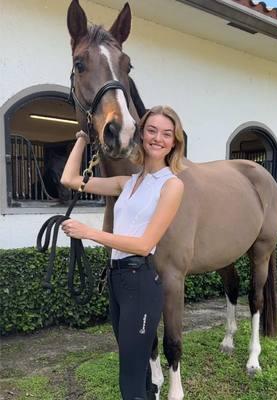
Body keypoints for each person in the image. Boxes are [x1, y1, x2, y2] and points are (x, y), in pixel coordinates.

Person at [60, 105, 185, 400]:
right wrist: (82, 138)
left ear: (174, 142)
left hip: (140, 279)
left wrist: (89, 232)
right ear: (141, 134)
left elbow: (144, 244)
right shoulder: (126, 183)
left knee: (129, 378)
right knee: (137, 372)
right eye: (152, 130)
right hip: (118, 281)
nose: (158, 138)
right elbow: (70, 179)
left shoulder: (172, 185)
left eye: (167, 134)